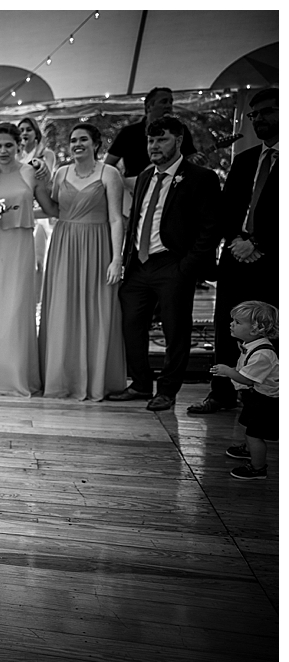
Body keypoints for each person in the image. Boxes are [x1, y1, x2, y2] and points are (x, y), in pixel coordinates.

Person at [106, 115, 222, 411]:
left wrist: (187, 268)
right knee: (131, 325)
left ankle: (168, 390)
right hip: (139, 265)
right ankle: (141, 384)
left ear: (179, 141)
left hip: (173, 264)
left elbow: (210, 228)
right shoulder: (145, 175)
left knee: (175, 330)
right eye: (150, 140)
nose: (154, 146)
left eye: (162, 140)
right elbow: (137, 220)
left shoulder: (200, 177)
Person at [188, 87, 279, 415]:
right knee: (228, 329)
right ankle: (221, 393)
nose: (259, 120)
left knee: (271, 330)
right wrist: (235, 241)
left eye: (267, 111)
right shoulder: (244, 160)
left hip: (275, 261)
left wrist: (259, 244)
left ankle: (270, 400)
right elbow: (225, 212)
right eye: (254, 114)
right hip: (236, 256)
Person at [39, 124, 127, 400]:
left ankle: (95, 380)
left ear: (96, 143)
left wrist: (117, 258)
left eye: (83, 140)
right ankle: (61, 378)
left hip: (97, 246)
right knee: (63, 308)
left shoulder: (109, 173)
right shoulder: (61, 173)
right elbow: (52, 209)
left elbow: (116, 218)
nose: (77, 144)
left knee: (95, 308)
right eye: (73, 140)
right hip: (64, 244)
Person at [0, 122, 57, 396]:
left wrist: (22, 213)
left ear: (19, 145)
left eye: (9, 145)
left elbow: (49, 208)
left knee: (17, 310)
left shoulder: (31, 172)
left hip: (19, 246)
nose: (3, 151)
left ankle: (17, 376)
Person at [105, 87, 198, 217]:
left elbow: (191, 161)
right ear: (149, 107)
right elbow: (108, 165)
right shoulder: (129, 133)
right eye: (164, 102)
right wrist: (125, 183)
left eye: (170, 102)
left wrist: (197, 162)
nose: (169, 106)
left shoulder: (181, 131)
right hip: (133, 193)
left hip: (169, 193)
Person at [211, 301, 278, 480]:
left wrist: (227, 371)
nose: (231, 324)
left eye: (238, 322)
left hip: (267, 400)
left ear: (257, 329)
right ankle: (248, 449)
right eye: (233, 320)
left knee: (255, 434)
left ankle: (258, 467)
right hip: (256, 395)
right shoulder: (250, 345)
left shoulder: (263, 354)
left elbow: (247, 378)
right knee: (247, 424)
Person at [18, 117, 57, 303]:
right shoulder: (14, 155)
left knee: (39, 262)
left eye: (28, 130)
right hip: (19, 211)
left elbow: (46, 178)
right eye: (21, 130)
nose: (24, 133)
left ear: (36, 134)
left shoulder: (46, 154)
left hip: (39, 212)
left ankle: (37, 301)